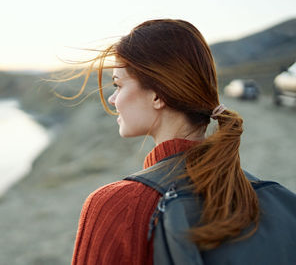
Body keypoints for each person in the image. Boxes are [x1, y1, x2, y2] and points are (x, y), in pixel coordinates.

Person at [70, 19, 296, 265]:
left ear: (158, 95)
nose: (113, 99)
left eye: (118, 85)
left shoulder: (117, 206)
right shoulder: (278, 200)